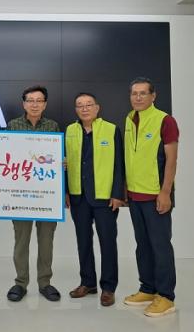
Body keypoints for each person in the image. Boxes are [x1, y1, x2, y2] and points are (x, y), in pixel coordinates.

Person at [0, 85, 62, 302]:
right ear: (24, 104)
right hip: (20, 195)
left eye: (39, 101)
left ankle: (45, 283)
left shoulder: (52, 126)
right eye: (30, 100)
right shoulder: (13, 125)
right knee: (21, 241)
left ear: (45, 104)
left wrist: (62, 162)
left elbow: (54, 158)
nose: (34, 104)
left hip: (46, 195)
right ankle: (21, 283)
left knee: (46, 241)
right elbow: (6, 154)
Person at [123, 77, 179, 317]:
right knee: (143, 245)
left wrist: (165, 192)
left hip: (156, 195)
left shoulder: (165, 121)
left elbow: (171, 160)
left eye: (143, 93)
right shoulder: (129, 118)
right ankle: (148, 288)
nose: (138, 97)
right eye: (134, 93)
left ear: (153, 96)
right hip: (135, 195)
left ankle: (166, 296)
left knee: (160, 246)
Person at [65, 92, 125, 307]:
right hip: (78, 196)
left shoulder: (111, 129)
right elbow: (64, 163)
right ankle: (88, 283)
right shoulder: (69, 131)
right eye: (80, 105)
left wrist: (117, 194)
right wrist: (66, 191)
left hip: (104, 197)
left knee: (107, 242)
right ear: (76, 110)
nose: (84, 109)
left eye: (88, 105)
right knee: (83, 241)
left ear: (97, 108)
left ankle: (108, 287)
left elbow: (119, 164)